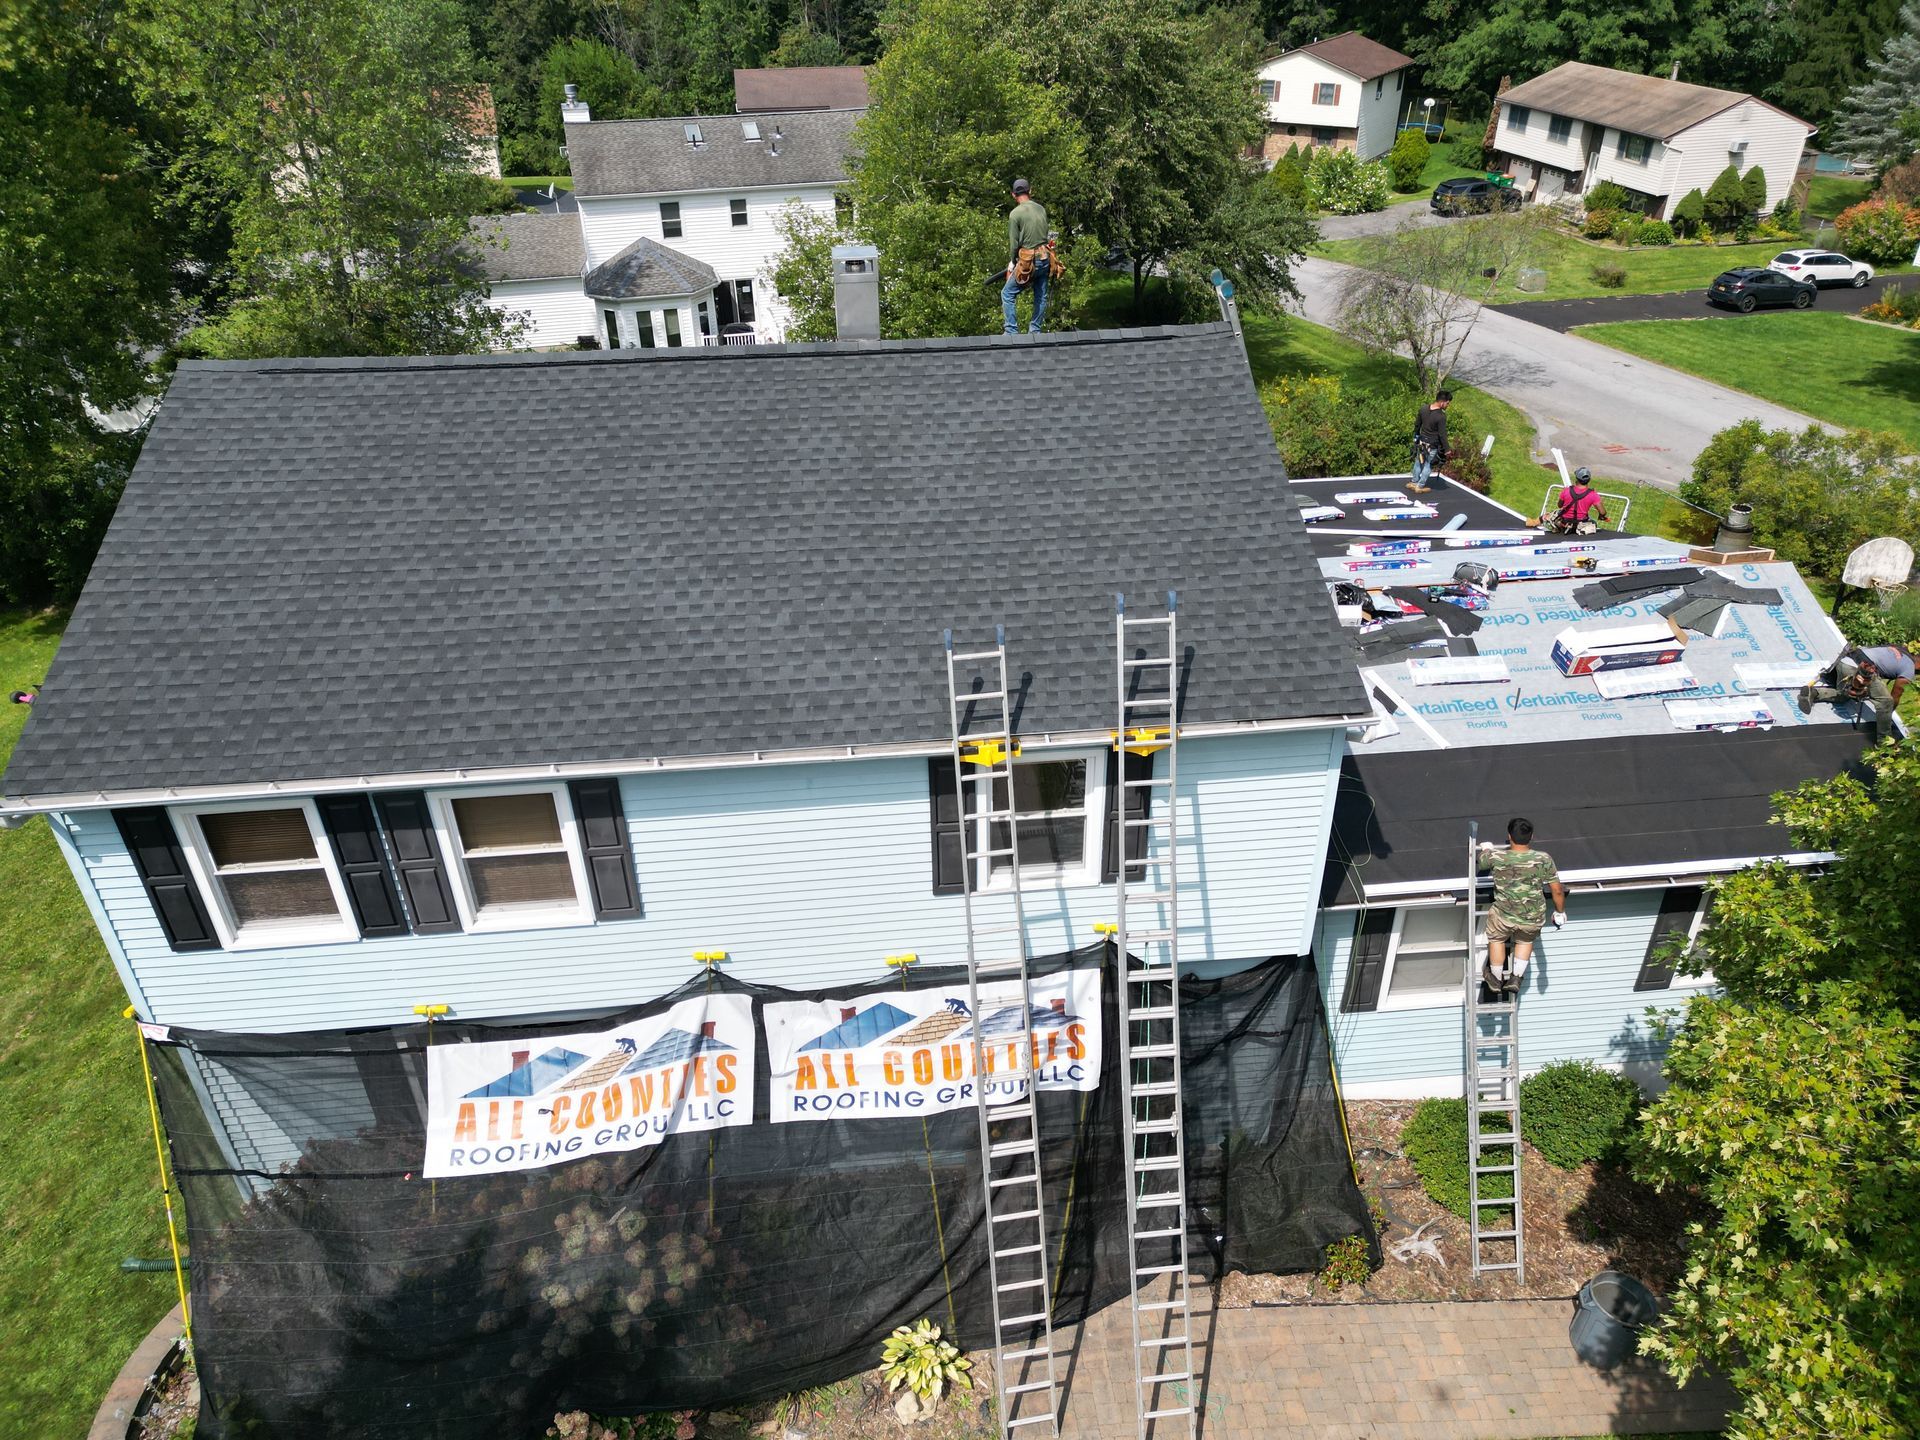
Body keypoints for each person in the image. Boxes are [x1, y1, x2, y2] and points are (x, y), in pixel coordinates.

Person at [1477, 818, 1565, 996]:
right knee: (1525, 941)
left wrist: (1487, 848)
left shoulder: (1496, 856)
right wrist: (1560, 912)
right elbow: (1556, 890)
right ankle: (1516, 977)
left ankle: (1495, 979)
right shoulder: (1543, 858)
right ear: (1531, 836)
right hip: (1532, 916)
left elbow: (1483, 862)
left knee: (1497, 939)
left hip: (1503, 914)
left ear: (1509, 836)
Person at [1800, 643, 1917, 741]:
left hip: (1844, 662)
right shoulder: (1909, 668)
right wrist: (1887, 716)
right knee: (1886, 701)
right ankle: (1885, 742)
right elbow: (1896, 694)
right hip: (1861, 668)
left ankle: (1814, 693)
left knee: (1845, 695)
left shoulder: (1899, 649)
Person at [1002, 179, 1050, 336]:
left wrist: (1012, 262)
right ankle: (1035, 331)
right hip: (1045, 258)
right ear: (1030, 191)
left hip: (1028, 261)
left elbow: (1014, 244)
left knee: (1007, 294)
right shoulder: (1041, 209)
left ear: (1013, 195)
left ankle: (1011, 331)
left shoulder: (1015, 214)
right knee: (1041, 295)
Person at [1410, 391, 1451, 492]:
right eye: (1447, 403)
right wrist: (1447, 449)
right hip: (1432, 444)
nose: (1447, 405)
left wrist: (1416, 437)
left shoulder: (1423, 408)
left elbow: (1417, 425)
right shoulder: (1441, 416)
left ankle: (1414, 482)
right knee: (1428, 464)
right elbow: (1442, 434)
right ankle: (1420, 486)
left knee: (1418, 462)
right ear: (1442, 402)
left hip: (1421, 442)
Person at [1548, 468, 1609, 535]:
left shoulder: (1566, 490)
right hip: (1580, 524)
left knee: (1554, 514)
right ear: (1589, 480)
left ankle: (1559, 527)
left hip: (1565, 522)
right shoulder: (1593, 494)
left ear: (1577, 479)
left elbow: (1559, 505)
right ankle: (1580, 530)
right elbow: (1603, 512)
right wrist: (1601, 516)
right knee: (1593, 522)